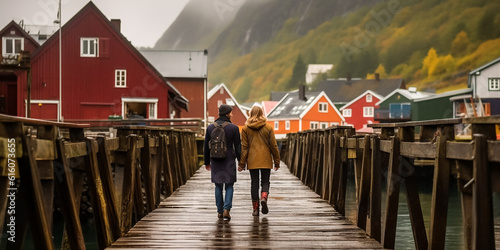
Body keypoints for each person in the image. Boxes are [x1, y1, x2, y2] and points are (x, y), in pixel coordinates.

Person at [238, 106, 280, 216]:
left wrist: (242, 163)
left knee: (254, 184)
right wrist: (277, 161)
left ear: (250, 113)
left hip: (252, 159)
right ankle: (264, 198)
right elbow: (274, 146)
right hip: (266, 159)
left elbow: (245, 147)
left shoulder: (245, 129)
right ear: (262, 113)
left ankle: (255, 209)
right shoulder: (268, 127)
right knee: (265, 181)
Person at [204, 104, 241, 220]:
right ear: (227, 114)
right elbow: (238, 147)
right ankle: (226, 209)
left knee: (218, 186)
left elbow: (206, 147)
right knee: (229, 185)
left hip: (215, 160)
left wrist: (206, 162)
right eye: (231, 112)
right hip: (229, 160)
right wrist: (241, 162)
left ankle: (219, 211)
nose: (232, 114)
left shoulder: (210, 128)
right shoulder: (234, 128)